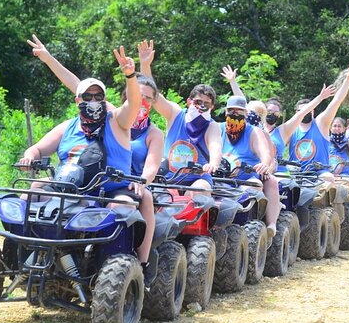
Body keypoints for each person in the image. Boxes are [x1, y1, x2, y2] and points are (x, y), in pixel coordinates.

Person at [21, 42, 155, 266]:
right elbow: (38, 148)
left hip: (109, 189)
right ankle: (25, 255)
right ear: (78, 101)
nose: (93, 101)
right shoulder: (69, 126)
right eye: (87, 97)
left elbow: (133, 104)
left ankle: (128, 264)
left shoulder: (117, 122)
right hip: (70, 187)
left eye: (98, 97)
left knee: (122, 207)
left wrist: (130, 76)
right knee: (30, 192)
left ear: (104, 99)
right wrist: (29, 155)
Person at [220, 65, 337, 174]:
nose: (271, 114)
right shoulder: (252, 128)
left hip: (277, 173)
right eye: (269, 111)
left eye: (275, 112)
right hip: (250, 169)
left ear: (279, 115)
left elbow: (301, 113)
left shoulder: (282, 131)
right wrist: (233, 81)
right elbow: (242, 104)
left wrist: (320, 98)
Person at [139, 42, 222, 192]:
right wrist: (145, 65)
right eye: (198, 102)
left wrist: (214, 163)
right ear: (189, 101)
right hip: (168, 177)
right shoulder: (175, 113)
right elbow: (155, 96)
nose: (201, 106)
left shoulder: (211, 125)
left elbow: (215, 145)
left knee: (199, 192)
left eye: (206, 104)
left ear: (212, 107)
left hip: (198, 177)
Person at [220, 95, 279, 236]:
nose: (234, 114)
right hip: (220, 177)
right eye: (231, 111)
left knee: (263, 183)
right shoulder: (217, 128)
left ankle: (270, 224)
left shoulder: (255, 132)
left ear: (245, 114)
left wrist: (264, 164)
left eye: (239, 111)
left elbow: (265, 153)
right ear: (225, 112)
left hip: (246, 178)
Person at [289, 65, 349, 181]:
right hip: (295, 173)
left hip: (319, 173)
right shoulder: (290, 128)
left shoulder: (321, 123)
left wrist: (348, 80)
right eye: (300, 111)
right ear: (295, 112)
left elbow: (336, 102)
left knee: (328, 178)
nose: (303, 113)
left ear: (313, 110)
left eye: (307, 110)